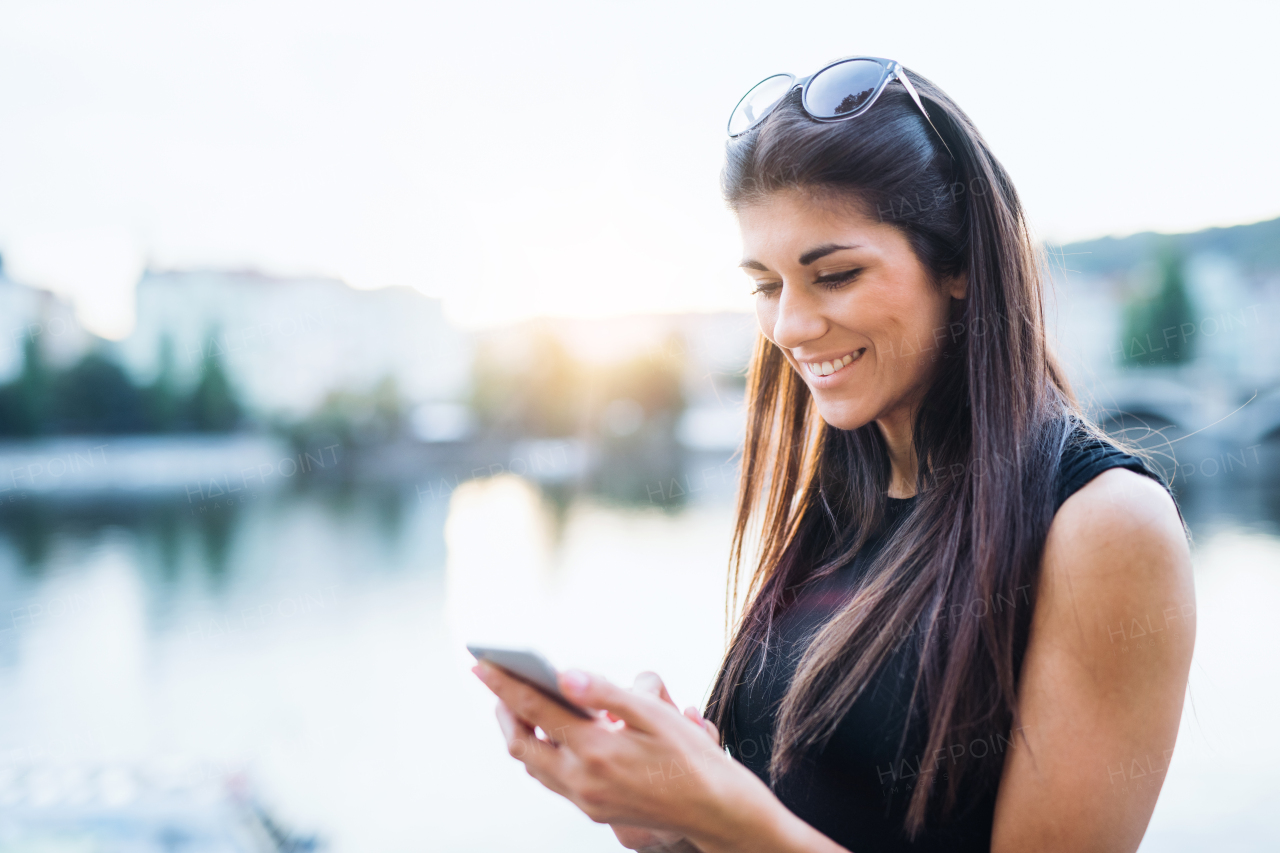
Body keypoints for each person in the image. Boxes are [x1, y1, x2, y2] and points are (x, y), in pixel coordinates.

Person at [471, 56, 1195, 852]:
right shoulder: (841, 498)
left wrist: (727, 814)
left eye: (835, 274)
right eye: (766, 284)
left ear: (956, 265)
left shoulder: (1105, 527)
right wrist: (669, 810)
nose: (788, 327)